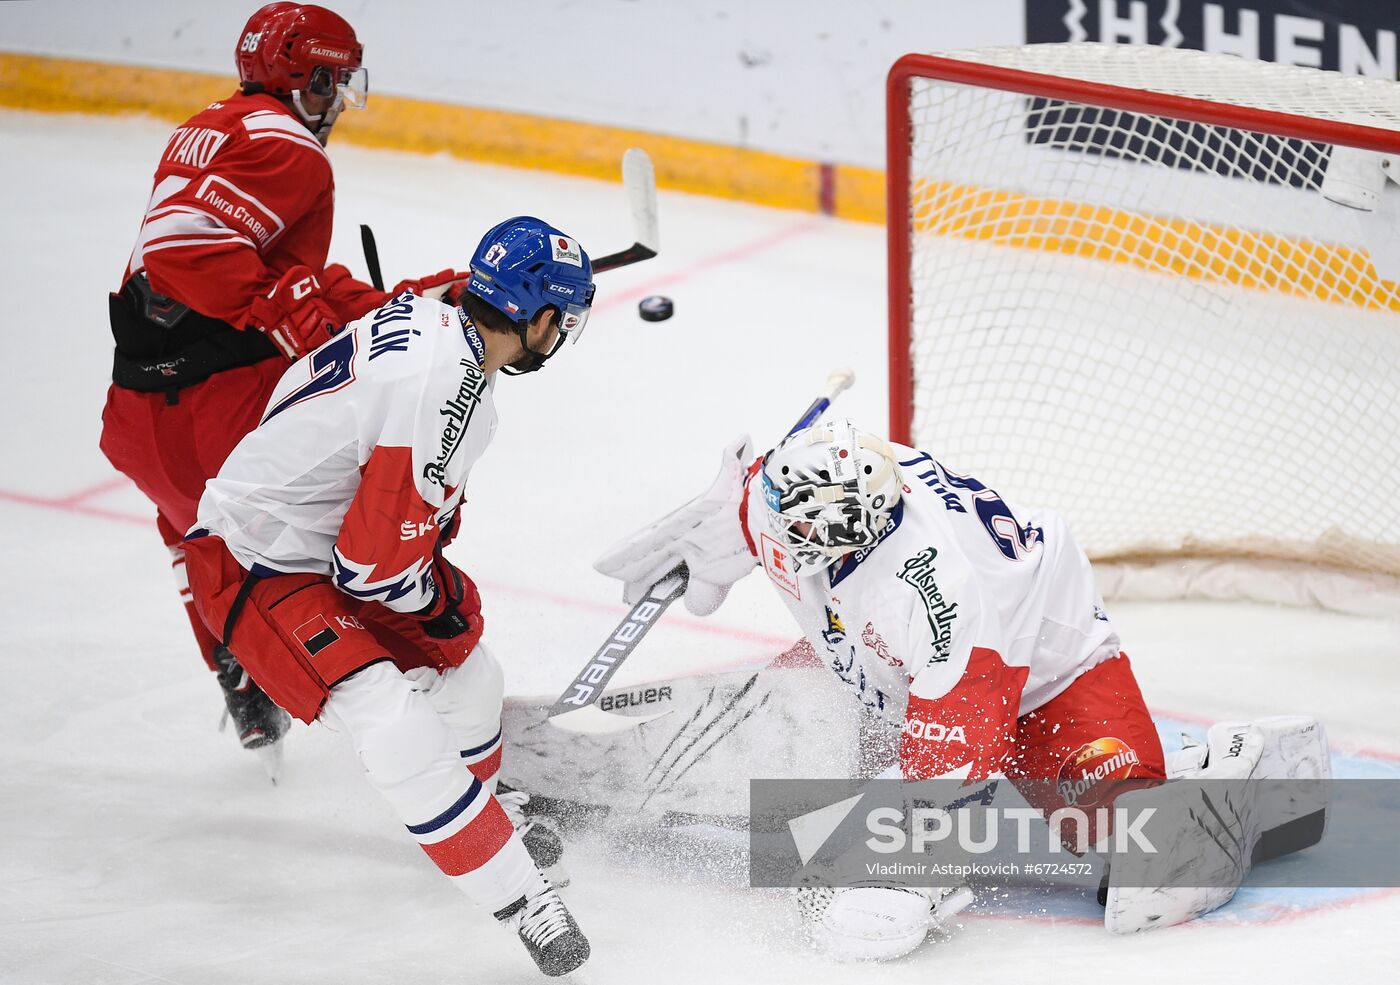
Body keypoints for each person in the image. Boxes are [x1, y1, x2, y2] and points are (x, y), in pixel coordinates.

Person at [594, 419, 1327, 960]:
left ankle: (1251, 777)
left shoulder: (945, 606)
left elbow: (946, 788)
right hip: (884, 662)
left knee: (1146, 863)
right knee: (780, 753)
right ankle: (636, 771)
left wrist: (873, 858)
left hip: (1043, 673)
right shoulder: (792, 485)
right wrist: (724, 527)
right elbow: (760, 497)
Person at [181, 216, 595, 976]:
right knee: (394, 721)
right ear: (538, 320)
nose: (561, 335)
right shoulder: (446, 389)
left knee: (473, 671)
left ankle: (479, 814)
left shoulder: (437, 322)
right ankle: (522, 896)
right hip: (252, 560)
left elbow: (377, 550)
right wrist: (433, 592)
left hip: (317, 542)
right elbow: (375, 572)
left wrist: (436, 594)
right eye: (562, 320)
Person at [99, 2, 464, 767]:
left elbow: (276, 270)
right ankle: (446, 716)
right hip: (219, 411)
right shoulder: (292, 146)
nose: (336, 104)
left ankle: (236, 664)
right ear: (308, 79)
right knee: (361, 543)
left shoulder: (209, 125)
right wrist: (295, 320)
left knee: (200, 528)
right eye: (333, 84)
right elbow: (181, 251)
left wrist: (401, 305)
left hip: (140, 419)